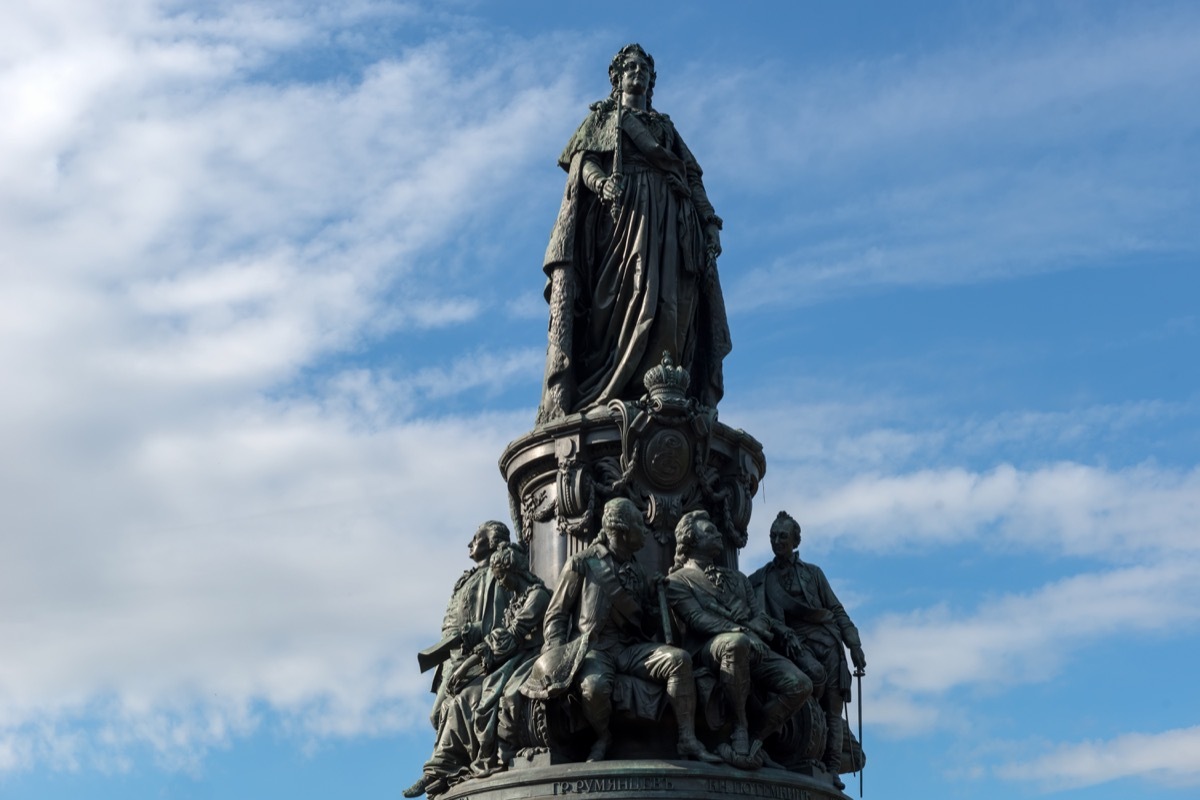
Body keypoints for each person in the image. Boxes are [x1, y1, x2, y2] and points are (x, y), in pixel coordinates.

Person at [537, 43, 731, 424]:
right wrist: (601, 185)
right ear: (617, 78)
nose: (637, 73)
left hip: (671, 222)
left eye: (643, 68)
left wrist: (708, 222)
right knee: (622, 296)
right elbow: (584, 162)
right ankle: (610, 385)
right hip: (623, 219)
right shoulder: (605, 118)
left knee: (670, 302)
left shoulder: (665, 128)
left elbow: (691, 176)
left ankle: (663, 386)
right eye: (630, 68)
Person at [534, 498, 719, 763]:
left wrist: (657, 604)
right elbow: (557, 613)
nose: (645, 531)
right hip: (593, 650)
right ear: (621, 531)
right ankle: (603, 736)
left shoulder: (640, 573)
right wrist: (555, 654)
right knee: (594, 688)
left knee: (679, 660)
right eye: (639, 526)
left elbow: (646, 625)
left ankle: (687, 739)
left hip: (630, 649)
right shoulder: (582, 563)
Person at [665, 510, 811, 766]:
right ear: (691, 540)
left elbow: (761, 618)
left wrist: (755, 624)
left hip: (753, 645)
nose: (719, 533)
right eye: (710, 531)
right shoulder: (677, 581)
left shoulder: (739, 579)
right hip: (707, 648)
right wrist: (741, 629)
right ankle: (739, 728)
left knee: (801, 684)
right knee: (737, 644)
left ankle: (756, 737)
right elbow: (698, 619)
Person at [405, 544, 550, 797]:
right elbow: (497, 638)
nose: (501, 582)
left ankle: (482, 758)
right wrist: (465, 666)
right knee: (459, 701)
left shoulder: (536, 596)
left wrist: (467, 665)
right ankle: (440, 769)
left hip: (528, 656)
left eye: (502, 576)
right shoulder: (516, 599)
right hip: (507, 658)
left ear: (514, 571)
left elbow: (508, 638)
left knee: (488, 701)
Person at [749, 512, 866, 788]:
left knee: (833, 710)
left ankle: (833, 768)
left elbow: (837, 610)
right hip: (791, 647)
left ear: (795, 540)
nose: (777, 541)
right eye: (773, 536)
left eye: (783, 537)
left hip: (827, 646)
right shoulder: (761, 579)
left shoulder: (813, 574)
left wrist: (855, 645)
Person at [407, 522, 513, 798]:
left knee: (443, 711)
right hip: (452, 657)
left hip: (474, 653)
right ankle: (442, 771)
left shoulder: (496, 575)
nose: (469, 544)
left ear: (491, 543)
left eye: (475, 539)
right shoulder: (470, 577)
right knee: (437, 715)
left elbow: (496, 620)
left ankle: (438, 771)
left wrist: (466, 637)